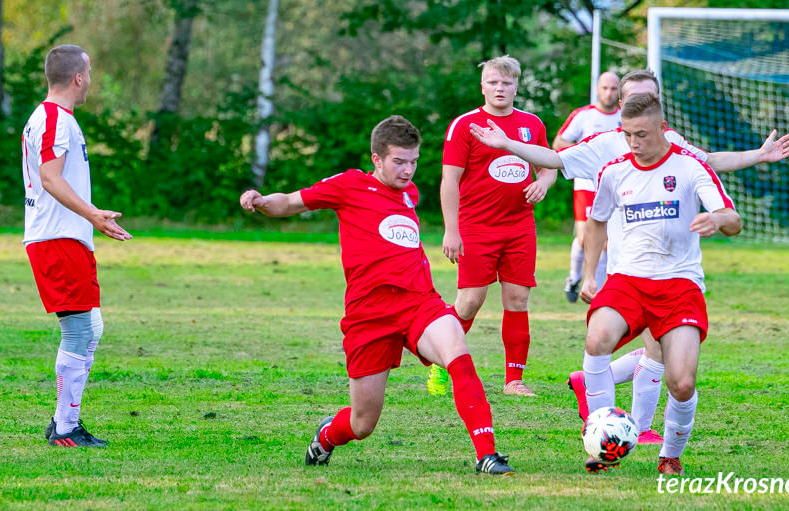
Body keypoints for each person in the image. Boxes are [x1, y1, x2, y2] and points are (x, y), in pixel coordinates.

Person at [468, 69, 789, 444]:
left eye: (651, 98)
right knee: (630, 343)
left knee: (658, 349)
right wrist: (508, 144)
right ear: (622, 106)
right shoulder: (605, 147)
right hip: (627, 271)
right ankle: (626, 424)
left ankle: (634, 425)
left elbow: (710, 162)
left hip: (674, 271)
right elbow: (554, 160)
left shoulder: (674, 143)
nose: (643, 108)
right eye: (636, 99)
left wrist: (758, 155)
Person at [239, 115, 514, 475]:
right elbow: (290, 202)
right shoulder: (349, 185)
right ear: (377, 159)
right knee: (362, 423)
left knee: (458, 353)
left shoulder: (409, 193)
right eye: (399, 162)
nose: (408, 170)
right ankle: (326, 436)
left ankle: (487, 455)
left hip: (419, 301)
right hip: (369, 314)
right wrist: (260, 200)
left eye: (414, 161)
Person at [579, 91, 741, 475]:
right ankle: (604, 440)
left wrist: (717, 221)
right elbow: (597, 220)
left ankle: (669, 454)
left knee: (682, 383)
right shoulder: (614, 171)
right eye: (627, 135)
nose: (634, 143)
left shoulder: (690, 169)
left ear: (662, 128)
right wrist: (589, 273)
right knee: (596, 337)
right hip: (629, 280)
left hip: (679, 285)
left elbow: (732, 218)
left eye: (642, 135)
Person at [22, 44, 133, 448]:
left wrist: (89, 217)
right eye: (90, 71)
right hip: (56, 239)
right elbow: (50, 178)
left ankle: (63, 422)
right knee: (80, 331)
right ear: (79, 78)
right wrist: (91, 214)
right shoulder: (54, 119)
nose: (91, 79)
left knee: (91, 328)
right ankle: (65, 430)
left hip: (66, 237)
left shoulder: (54, 117)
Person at [429, 55, 557, 398]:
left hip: (519, 227)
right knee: (470, 302)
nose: (500, 88)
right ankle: (440, 364)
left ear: (517, 86)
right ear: (482, 86)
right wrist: (451, 230)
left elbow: (549, 165)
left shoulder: (532, 123)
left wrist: (543, 183)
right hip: (475, 228)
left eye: (507, 83)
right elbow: (449, 181)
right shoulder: (465, 125)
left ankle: (514, 380)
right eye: (493, 82)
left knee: (517, 299)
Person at [552, 72, 620, 303]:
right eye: (605, 88)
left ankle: (597, 290)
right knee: (584, 238)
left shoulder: (626, 118)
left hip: (613, 185)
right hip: (586, 185)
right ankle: (573, 277)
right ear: (597, 89)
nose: (609, 93)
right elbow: (559, 142)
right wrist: (587, 153)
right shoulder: (584, 115)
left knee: (606, 241)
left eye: (613, 88)